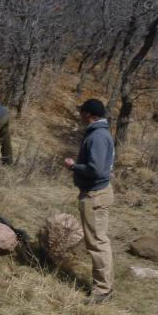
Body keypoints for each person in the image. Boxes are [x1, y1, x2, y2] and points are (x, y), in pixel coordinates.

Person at [65, 99, 116, 304]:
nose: (80, 115)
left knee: (97, 242)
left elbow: (96, 169)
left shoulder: (97, 136)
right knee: (99, 240)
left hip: (95, 195)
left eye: (82, 112)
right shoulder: (102, 133)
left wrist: (73, 166)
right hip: (99, 192)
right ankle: (105, 286)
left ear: (88, 114)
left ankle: (102, 290)